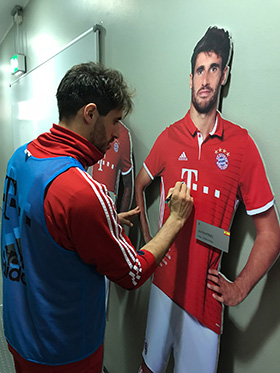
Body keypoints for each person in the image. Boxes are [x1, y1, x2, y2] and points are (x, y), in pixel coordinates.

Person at [1, 62, 194, 373]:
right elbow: (132, 274)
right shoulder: (81, 192)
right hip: (63, 351)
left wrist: (97, 223)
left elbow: (34, 221)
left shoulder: (22, 157)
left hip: (20, 333)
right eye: (115, 121)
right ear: (90, 113)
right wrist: (175, 220)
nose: (118, 134)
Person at [136, 26, 280, 373]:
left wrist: (240, 288)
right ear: (190, 78)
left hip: (204, 304)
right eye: (200, 69)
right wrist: (148, 244)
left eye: (214, 68)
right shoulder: (169, 137)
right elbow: (140, 185)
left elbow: (271, 234)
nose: (205, 78)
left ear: (224, 75)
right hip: (161, 288)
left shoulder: (242, 146)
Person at [89, 120, 134, 212]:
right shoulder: (87, 123)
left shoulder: (123, 134)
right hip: (83, 197)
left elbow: (128, 185)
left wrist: (120, 223)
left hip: (107, 203)